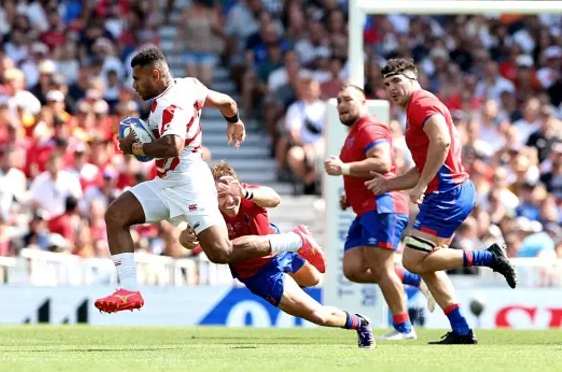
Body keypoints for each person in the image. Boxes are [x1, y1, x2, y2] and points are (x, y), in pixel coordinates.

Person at [94, 47, 325, 313]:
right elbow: (228, 102)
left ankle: (294, 240)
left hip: (191, 184)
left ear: (155, 75)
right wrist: (234, 121)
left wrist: (135, 149)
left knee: (221, 252)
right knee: (116, 215)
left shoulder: (171, 104)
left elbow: (172, 145)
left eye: (137, 79)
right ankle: (130, 291)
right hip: (168, 182)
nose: (134, 85)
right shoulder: (189, 85)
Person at [366, 58, 518, 345]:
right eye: (386, 85)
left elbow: (442, 143)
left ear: (413, 79)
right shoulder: (414, 109)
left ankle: (490, 257)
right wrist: (389, 183)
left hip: (446, 194)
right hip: (448, 192)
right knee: (427, 264)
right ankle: (461, 329)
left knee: (412, 259)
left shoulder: (422, 103)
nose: (391, 89)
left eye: (397, 81)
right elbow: (422, 165)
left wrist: (421, 186)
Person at [178, 161, 375, 349]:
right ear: (213, 195)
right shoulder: (207, 211)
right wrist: (186, 238)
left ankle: (297, 247)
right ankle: (360, 323)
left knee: (315, 279)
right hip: (261, 275)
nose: (230, 200)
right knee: (318, 315)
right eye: (222, 196)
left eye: (233, 193)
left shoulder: (247, 193)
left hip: (281, 249)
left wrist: (246, 193)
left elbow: (274, 198)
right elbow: (184, 240)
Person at [323, 84, 434, 341]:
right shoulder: (354, 133)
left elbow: (383, 163)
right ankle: (416, 280)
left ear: (364, 103)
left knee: (382, 268)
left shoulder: (370, 128)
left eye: (348, 99)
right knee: (353, 269)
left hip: (383, 207)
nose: (341, 104)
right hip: (366, 209)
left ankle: (404, 328)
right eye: (338, 100)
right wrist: (349, 195)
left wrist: (343, 169)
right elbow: (366, 170)